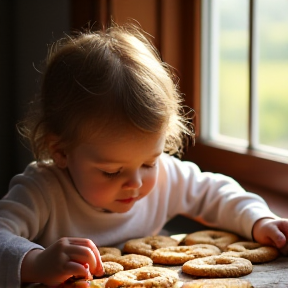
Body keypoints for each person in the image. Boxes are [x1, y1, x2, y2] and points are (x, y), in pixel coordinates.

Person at [0, 22, 287, 287]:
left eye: (149, 162)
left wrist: (258, 220)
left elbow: (217, 193)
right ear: (60, 151)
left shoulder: (165, 176)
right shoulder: (42, 191)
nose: (135, 182)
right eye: (112, 171)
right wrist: (36, 262)